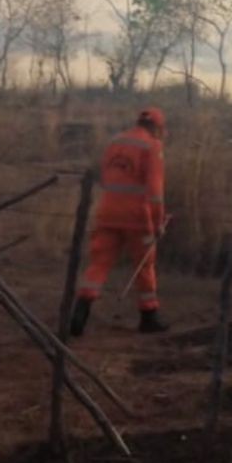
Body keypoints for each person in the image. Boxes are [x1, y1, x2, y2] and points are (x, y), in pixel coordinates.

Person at [70, 107, 168, 337]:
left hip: (107, 212)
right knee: (144, 266)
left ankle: (79, 315)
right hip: (137, 217)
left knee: (98, 264)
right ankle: (148, 316)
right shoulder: (152, 147)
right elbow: (155, 192)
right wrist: (158, 222)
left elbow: (106, 177)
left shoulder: (115, 142)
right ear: (156, 127)